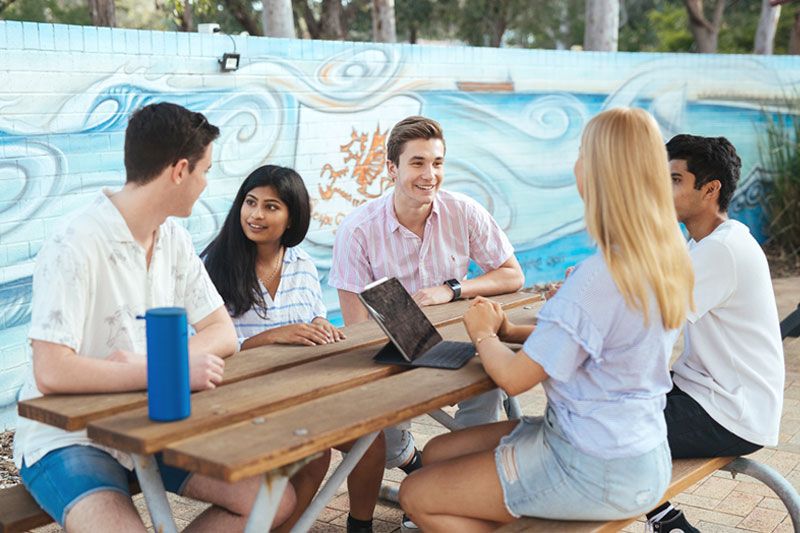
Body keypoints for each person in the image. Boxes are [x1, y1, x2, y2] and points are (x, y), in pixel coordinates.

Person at [398, 107, 695, 531]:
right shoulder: (665, 254)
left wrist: (483, 334)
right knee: (441, 451)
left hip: (593, 467)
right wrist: (508, 330)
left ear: (598, 172)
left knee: (415, 494)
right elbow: (593, 346)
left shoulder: (599, 277)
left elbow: (516, 379)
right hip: (638, 450)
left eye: (581, 153)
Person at [13, 103, 296, 531]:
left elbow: (222, 333)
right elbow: (51, 370)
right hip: (70, 438)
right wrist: (163, 370)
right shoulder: (75, 242)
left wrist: (159, 369)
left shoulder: (173, 240)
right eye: (205, 171)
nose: (206, 183)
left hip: (152, 422)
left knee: (273, 498)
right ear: (180, 170)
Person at [202, 164, 386, 533]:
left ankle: (360, 526)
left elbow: (315, 318)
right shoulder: (212, 266)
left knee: (371, 436)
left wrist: (321, 326)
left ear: (291, 217)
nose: (256, 215)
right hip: (238, 398)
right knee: (313, 454)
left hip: (299, 389)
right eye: (250, 202)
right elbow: (205, 352)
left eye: (271, 206)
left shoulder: (301, 263)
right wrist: (272, 336)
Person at [644, 135, 785, 532]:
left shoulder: (720, 249)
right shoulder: (707, 243)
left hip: (730, 411)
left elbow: (652, 323)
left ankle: (665, 521)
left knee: (602, 427)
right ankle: (664, 519)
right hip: (706, 392)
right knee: (601, 409)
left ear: (710, 190)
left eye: (674, 180)